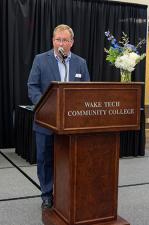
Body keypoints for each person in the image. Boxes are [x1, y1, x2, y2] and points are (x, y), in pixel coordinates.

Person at [27, 24, 90, 209]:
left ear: (72, 42)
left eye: (65, 40)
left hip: (72, 123)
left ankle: (67, 193)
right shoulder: (40, 60)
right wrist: (47, 107)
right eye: (58, 39)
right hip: (46, 121)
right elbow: (32, 86)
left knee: (70, 160)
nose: (61, 43)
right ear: (53, 40)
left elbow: (86, 90)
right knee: (45, 159)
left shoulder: (81, 63)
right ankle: (46, 194)